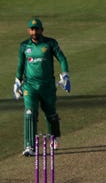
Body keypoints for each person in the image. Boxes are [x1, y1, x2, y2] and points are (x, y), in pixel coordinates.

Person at [14, 18, 71, 156]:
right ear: (28, 30)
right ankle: (29, 146)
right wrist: (17, 81)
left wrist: (65, 75)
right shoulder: (24, 46)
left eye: (37, 29)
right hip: (30, 86)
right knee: (29, 114)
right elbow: (21, 65)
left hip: (47, 86)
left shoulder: (50, 43)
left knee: (50, 113)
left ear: (42, 30)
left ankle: (54, 136)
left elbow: (62, 59)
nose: (34, 32)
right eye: (32, 29)